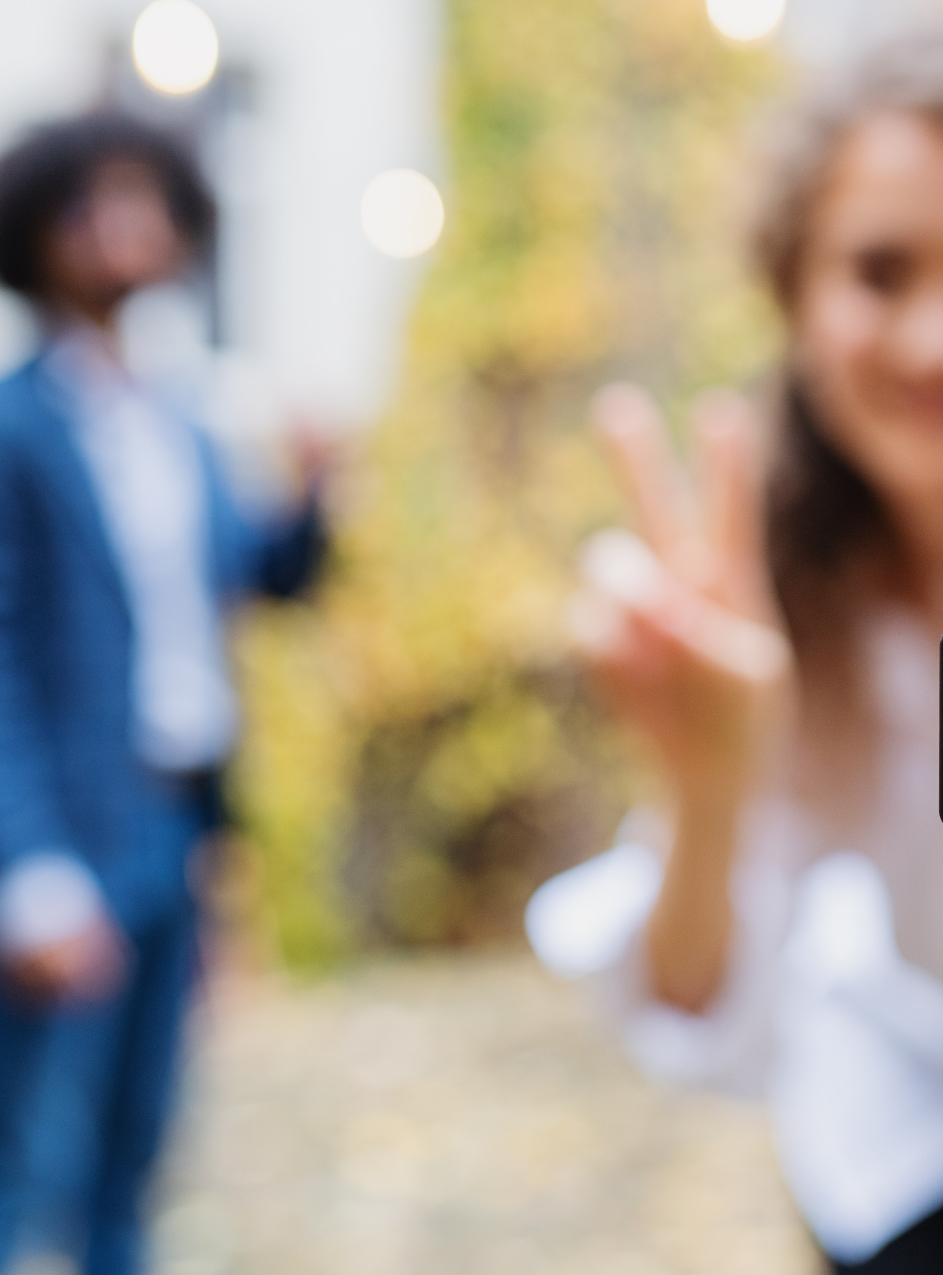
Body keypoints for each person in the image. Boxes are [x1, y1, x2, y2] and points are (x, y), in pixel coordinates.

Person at [529, 24, 943, 1274]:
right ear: (793, 294)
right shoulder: (765, 584)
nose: (940, 340)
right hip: (903, 1055)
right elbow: (699, 1001)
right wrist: (708, 785)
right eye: (879, 270)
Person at [0, 115, 326, 1274]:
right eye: (91, 205)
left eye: (145, 201)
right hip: (72, 839)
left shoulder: (183, 420)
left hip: (180, 825)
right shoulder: (17, 425)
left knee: (138, 1150)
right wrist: (29, 872)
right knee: (31, 1153)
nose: (123, 229)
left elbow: (257, 580)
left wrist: (319, 497)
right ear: (39, 233)